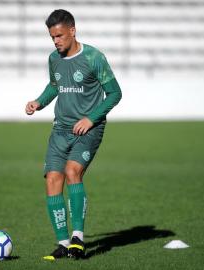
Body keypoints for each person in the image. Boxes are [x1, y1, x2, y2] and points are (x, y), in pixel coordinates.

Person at [25, 9, 122, 260]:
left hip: (89, 129)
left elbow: (114, 93)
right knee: (52, 180)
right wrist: (39, 102)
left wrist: (91, 118)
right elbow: (55, 85)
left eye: (59, 35)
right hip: (60, 129)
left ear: (72, 30)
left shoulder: (93, 57)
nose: (56, 41)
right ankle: (63, 243)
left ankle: (78, 238)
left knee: (72, 172)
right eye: (51, 37)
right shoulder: (53, 59)